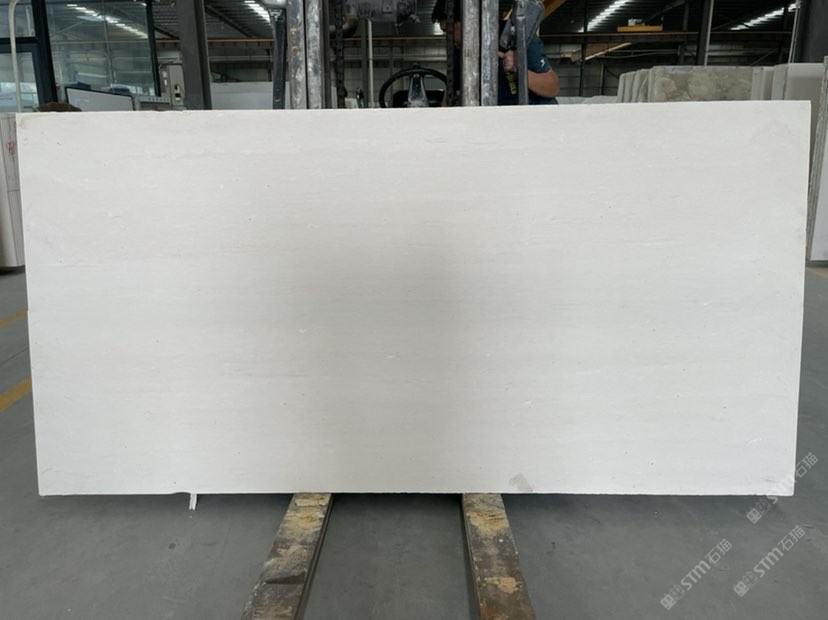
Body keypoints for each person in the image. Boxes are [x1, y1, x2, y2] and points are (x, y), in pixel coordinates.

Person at [431, 0, 559, 105]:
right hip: (496, 119)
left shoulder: (515, 35)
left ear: (468, 20)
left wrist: (519, 68)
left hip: (532, 118)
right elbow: (449, 93)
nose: (449, 38)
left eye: (450, 31)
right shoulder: (460, 51)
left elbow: (552, 87)